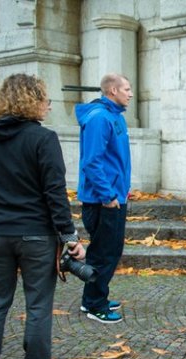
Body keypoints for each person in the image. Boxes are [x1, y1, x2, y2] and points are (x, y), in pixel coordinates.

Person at [0, 74, 86, 359]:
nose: (48, 105)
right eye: (45, 99)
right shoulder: (43, 139)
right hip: (36, 236)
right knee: (38, 306)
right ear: (31, 100)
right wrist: (70, 237)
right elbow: (55, 194)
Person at [76, 73, 133, 323]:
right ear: (112, 91)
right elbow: (92, 162)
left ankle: (95, 297)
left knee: (109, 250)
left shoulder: (113, 116)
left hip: (113, 196)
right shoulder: (100, 118)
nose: (130, 93)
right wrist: (108, 195)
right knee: (103, 253)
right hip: (103, 200)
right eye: (127, 89)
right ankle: (94, 305)